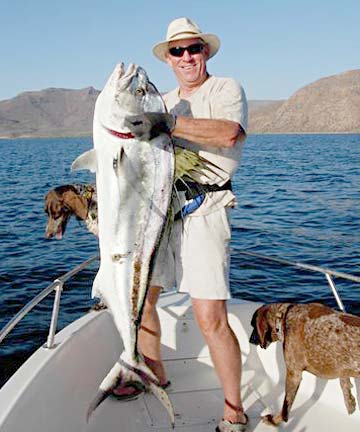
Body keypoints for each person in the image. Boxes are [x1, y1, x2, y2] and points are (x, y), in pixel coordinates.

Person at [116, 17, 248, 432]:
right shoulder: (162, 99)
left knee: (209, 315)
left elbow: (230, 134)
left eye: (194, 48)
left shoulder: (225, 88)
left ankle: (234, 408)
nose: (187, 56)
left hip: (207, 209)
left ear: (205, 52)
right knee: (143, 300)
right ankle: (155, 376)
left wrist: (167, 123)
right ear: (169, 59)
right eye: (178, 51)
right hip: (159, 214)